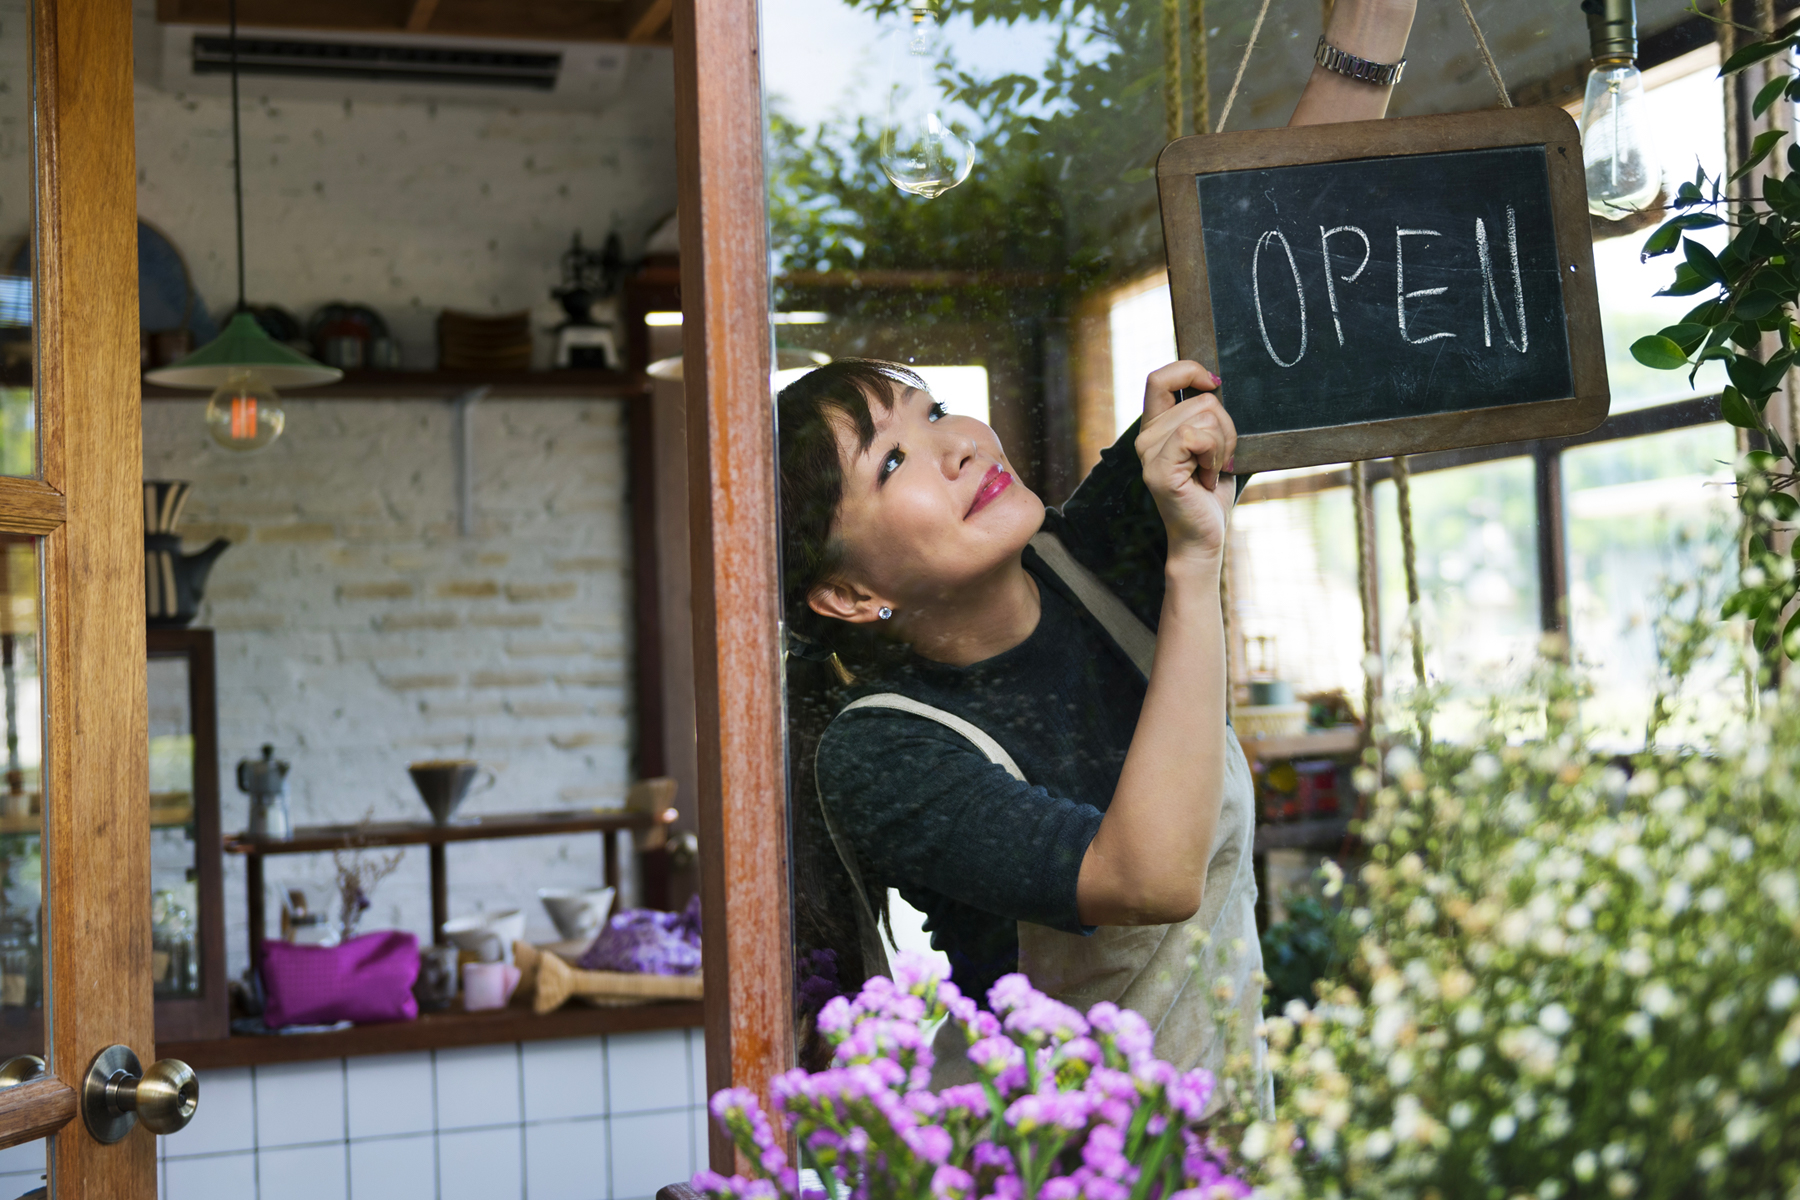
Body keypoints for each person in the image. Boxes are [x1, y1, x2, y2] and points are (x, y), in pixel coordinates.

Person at [781, 0, 1417, 1084]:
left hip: (1223, 1127)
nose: (953, 447)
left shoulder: (1094, 551)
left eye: (933, 413)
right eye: (890, 462)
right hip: (1059, 1157)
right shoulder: (880, 749)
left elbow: (1273, 294)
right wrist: (1194, 562)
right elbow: (1147, 875)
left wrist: (1368, 35)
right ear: (845, 595)